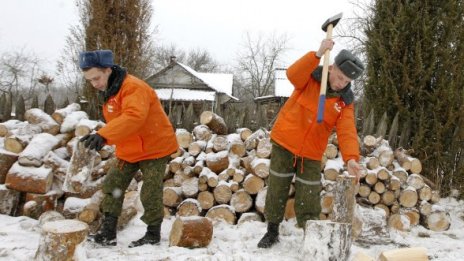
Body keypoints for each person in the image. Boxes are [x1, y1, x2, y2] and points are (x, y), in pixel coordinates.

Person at [257, 39, 365, 248]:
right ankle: (272, 231)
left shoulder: (345, 102)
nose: (341, 83)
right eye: (340, 77)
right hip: (285, 142)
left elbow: (347, 131)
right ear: (331, 68)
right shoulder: (311, 77)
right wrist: (316, 54)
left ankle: (311, 236)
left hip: (312, 152)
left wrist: (351, 158)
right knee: (278, 187)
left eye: (346, 81)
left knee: (309, 194)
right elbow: (292, 74)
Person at [78, 50, 178, 247]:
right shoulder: (111, 89)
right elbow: (121, 121)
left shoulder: (133, 87)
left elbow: (134, 116)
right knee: (112, 185)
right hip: (129, 148)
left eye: (96, 78)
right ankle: (108, 232)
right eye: (90, 80)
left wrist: (104, 135)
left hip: (154, 147)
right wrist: (102, 137)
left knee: (149, 191)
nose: (95, 84)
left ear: (108, 70)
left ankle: (152, 233)